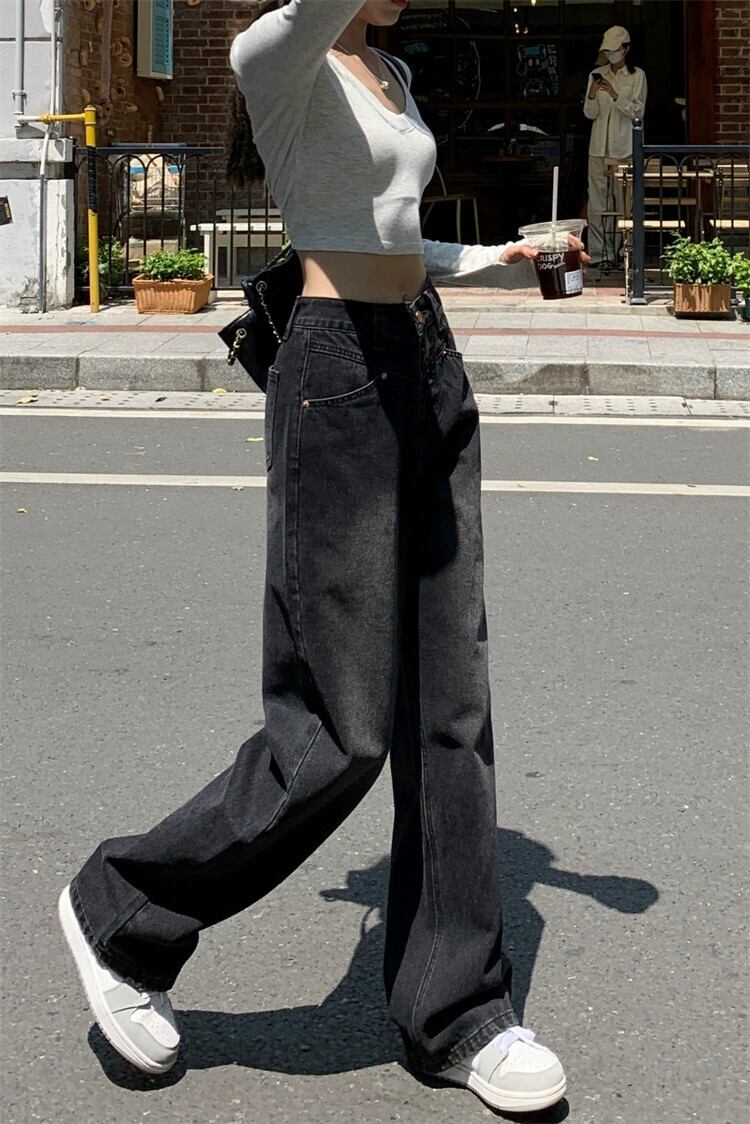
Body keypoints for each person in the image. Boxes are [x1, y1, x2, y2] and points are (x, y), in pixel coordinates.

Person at [58, 1, 583, 1114]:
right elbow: (331, 238)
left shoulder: (389, 68)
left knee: (451, 706)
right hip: (338, 373)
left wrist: (500, 256)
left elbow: (390, 235)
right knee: (338, 729)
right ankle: (123, 908)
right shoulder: (274, 53)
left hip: (426, 360)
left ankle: (459, 1006)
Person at [584, 25, 647, 267]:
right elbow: (589, 114)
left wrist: (615, 95)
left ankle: (624, 252)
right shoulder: (596, 74)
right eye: (608, 50)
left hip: (624, 146)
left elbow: (638, 112)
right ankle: (600, 254)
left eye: (615, 49)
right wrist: (592, 94)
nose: (611, 54)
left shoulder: (637, 76)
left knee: (623, 203)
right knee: (597, 201)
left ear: (626, 49)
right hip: (598, 146)